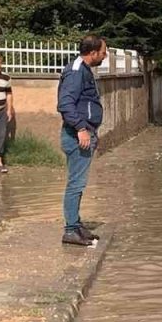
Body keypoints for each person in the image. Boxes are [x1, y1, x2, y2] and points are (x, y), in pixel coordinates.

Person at [58, 35, 108, 246]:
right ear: (93, 52)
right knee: (75, 184)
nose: (105, 55)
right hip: (78, 136)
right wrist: (81, 129)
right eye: (104, 52)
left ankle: (76, 224)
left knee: (79, 182)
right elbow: (65, 104)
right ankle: (70, 230)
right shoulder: (76, 71)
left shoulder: (83, 70)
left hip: (85, 133)